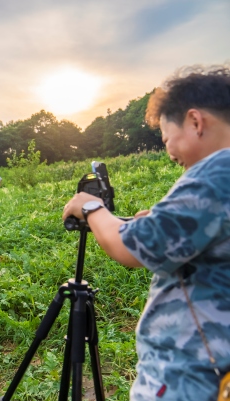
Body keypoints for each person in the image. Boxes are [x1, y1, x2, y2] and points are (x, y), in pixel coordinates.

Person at [62, 65, 230, 401]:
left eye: (169, 140)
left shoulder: (217, 173)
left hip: (191, 376)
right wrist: (160, 220)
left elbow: (133, 247)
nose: (171, 155)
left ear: (196, 122)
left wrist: (91, 208)